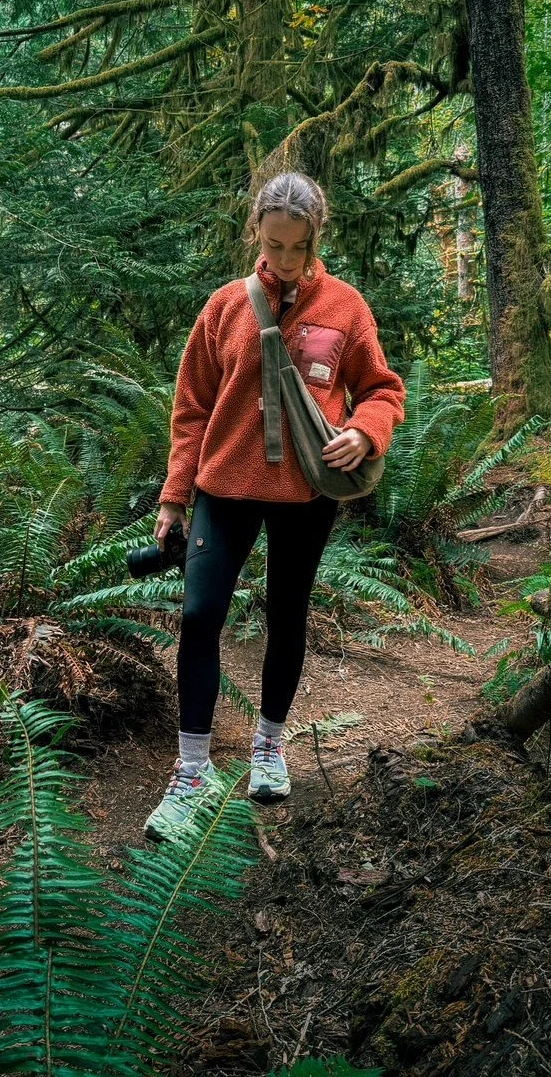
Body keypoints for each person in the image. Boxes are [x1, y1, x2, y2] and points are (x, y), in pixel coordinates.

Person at [143, 171, 407, 843]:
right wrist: (174, 500)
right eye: (274, 245)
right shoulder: (227, 305)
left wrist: (365, 430)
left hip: (305, 493)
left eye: (299, 247)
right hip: (224, 488)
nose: (286, 260)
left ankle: (268, 746)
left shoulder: (346, 307)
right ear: (256, 233)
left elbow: (381, 388)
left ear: (318, 237)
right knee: (201, 616)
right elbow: (192, 408)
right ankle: (192, 773)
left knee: (287, 614)